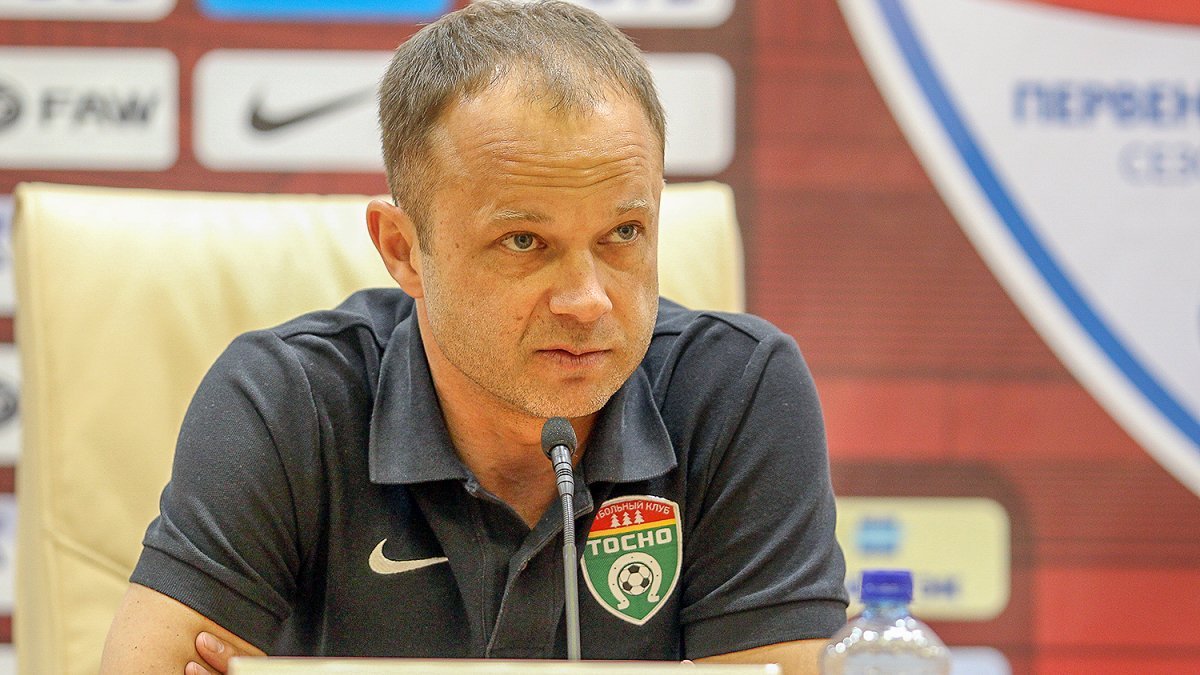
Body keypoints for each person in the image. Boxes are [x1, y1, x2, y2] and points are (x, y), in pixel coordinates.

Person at [99, 2, 848, 674]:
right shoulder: (286, 399)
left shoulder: (738, 391)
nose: (587, 300)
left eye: (624, 233)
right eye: (524, 241)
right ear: (402, 250)